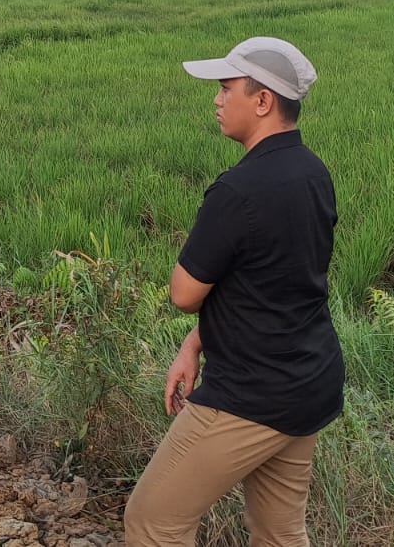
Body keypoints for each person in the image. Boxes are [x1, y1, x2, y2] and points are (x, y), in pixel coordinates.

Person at [124, 37, 345, 547]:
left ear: (263, 100)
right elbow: (272, 288)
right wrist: (194, 343)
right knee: (279, 532)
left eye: (226, 88)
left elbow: (183, 291)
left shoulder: (238, 190)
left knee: (152, 521)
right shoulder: (314, 174)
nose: (216, 100)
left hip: (251, 392)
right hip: (308, 382)